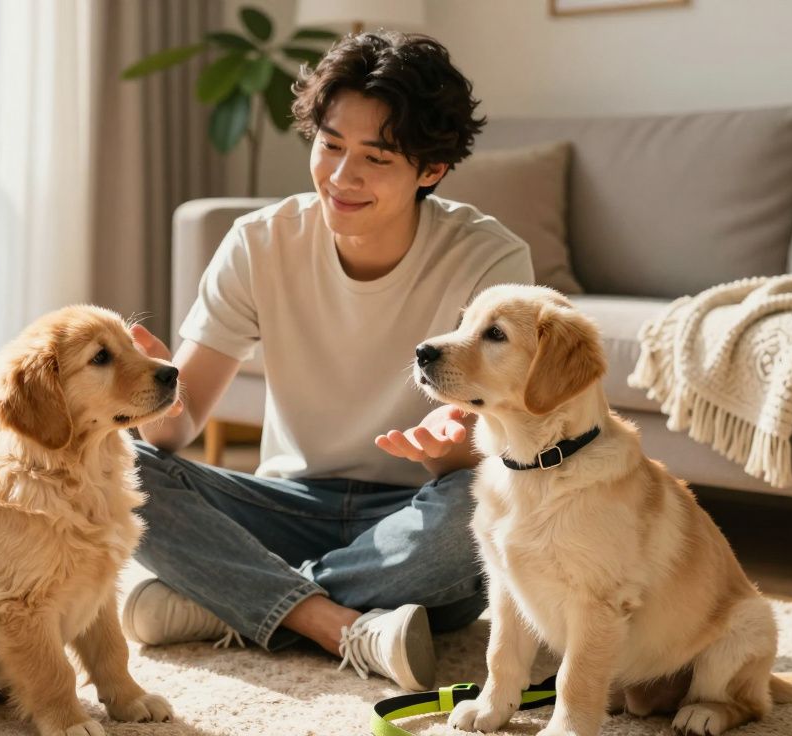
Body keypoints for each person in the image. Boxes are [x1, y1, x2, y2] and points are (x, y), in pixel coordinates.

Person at [123, 31, 534, 691]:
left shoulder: (490, 260)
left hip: (417, 515)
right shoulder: (259, 242)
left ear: (431, 170)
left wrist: (445, 454)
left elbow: (504, 449)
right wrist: (153, 387)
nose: (342, 178)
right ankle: (338, 625)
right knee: (119, 466)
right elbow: (175, 431)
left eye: (375, 157)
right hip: (284, 505)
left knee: (483, 512)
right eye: (331, 145)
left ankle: (225, 599)